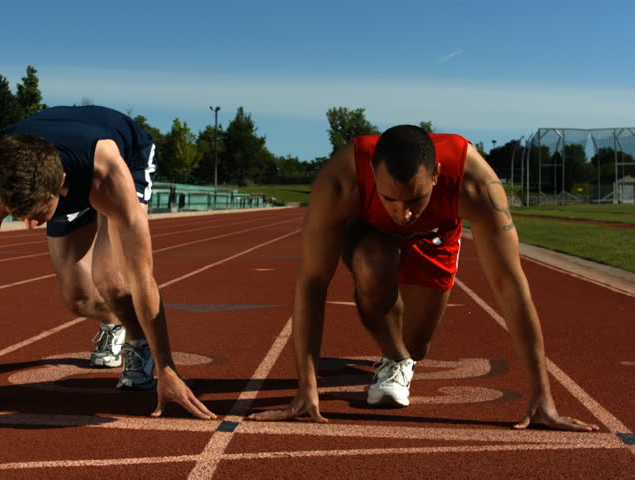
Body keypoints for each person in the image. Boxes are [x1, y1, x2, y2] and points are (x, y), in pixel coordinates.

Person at [249, 125, 598, 431]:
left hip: (437, 235)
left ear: (437, 175)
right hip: (371, 235)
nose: (404, 213)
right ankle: (394, 360)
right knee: (375, 267)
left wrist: (542, 396)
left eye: (415, 199)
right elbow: (312, 282)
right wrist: (305, 388)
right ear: (371, 173)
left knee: (418, 348)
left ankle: (404, 355)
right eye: (390, 199)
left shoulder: (474, 183)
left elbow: (510, 283)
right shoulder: (341, 180)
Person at [0, 105, 216, 420]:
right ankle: (115, 322)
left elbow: (141, 276)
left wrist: (167, 368)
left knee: (113, 280)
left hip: (123, 154)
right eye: (20, 217)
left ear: (60, 182)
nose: (32, 227)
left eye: (38, 215)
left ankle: (137, 343)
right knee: (78, 299)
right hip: (58, 163)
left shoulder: (108, 176)